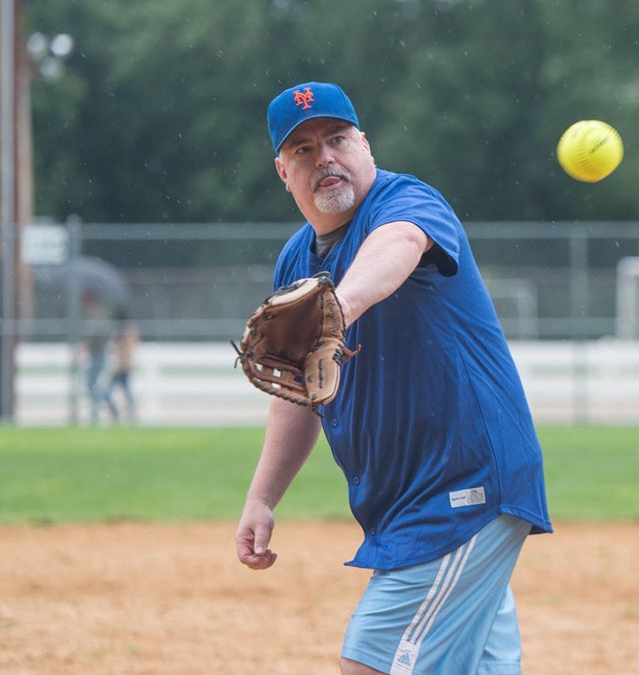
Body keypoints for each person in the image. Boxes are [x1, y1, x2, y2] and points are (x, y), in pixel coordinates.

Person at [234, 82, 552, 675]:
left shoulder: (406, 203)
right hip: (404, 505)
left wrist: (334, 313)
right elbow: (298, 391)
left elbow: (399, 244)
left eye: (336, 138)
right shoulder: (295, 261)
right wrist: (262, 497)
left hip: (461, 489)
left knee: (371, 666)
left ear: (365, 146)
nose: (324, 156)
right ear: (283, 172)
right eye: (303, 149)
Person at [78, 291, 117, 425]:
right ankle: (107, 404)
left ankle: (97, 412)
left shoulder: (95, 318)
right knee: (94, 384)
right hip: (99, 354)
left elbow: (92, 338)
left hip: (98, 355)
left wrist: (85, 349)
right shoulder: (100, 316)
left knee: (91, 384)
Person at [105, 304, 139, 424]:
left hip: (124, 368)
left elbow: (129, 347)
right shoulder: (119, 333)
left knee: (123, 393)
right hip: (119, 368)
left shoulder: (128, 331)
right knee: (112, 393)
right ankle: (121, 413)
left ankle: (129, 414)